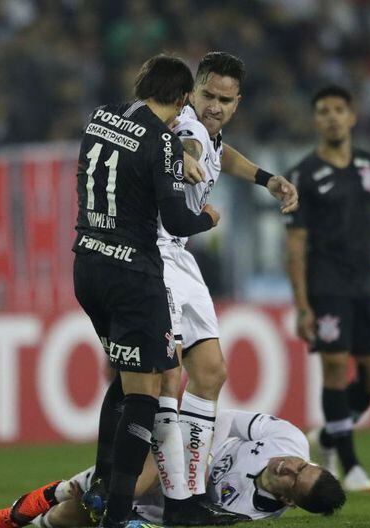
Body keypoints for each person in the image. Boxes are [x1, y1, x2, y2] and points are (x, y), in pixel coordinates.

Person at [126, 51, 297, 526]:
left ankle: (192, 490)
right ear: (191, 91)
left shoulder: (213, 132)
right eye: (207, 95)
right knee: (168, 376)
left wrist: (266, 179)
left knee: (212, 372)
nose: (214, 107)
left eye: (225, 99)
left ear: (237, 102)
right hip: (155, 252)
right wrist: (184, 155)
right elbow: (189, 143)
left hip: (181, 254)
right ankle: (179, 498)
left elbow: (220, 151)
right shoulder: (182, 124)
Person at [71, 54, 221, 528]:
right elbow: (177, 220)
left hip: (87, 264)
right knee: (147, 390)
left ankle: (101, 489)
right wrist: (207, 218)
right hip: (133, 274)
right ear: (181, 100)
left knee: (129, 376)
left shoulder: (101, 117)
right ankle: (118, 516)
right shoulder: (163, 141)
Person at [284, 85, 370, 492]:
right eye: (324, 111)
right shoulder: (303, 173)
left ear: (352, 116)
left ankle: (331, 433)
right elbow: (296, 245)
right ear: (315, 120)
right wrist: (302, 304)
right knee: (335, 368)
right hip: (327, 286)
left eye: (339, 109)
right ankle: (349, 463)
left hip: (366, 286)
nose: (332, 117)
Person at [0, 409, 346, 528]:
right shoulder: (289, 438)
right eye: (302, 465)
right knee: (126, 485)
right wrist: (200, 461)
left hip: (167, 504)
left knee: (72, 518)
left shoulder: (250, 512)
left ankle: (40, 512)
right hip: (186, 449)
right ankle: (27, 507)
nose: (289, 466)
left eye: (294, 478)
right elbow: (226, 418)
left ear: (287, 500)